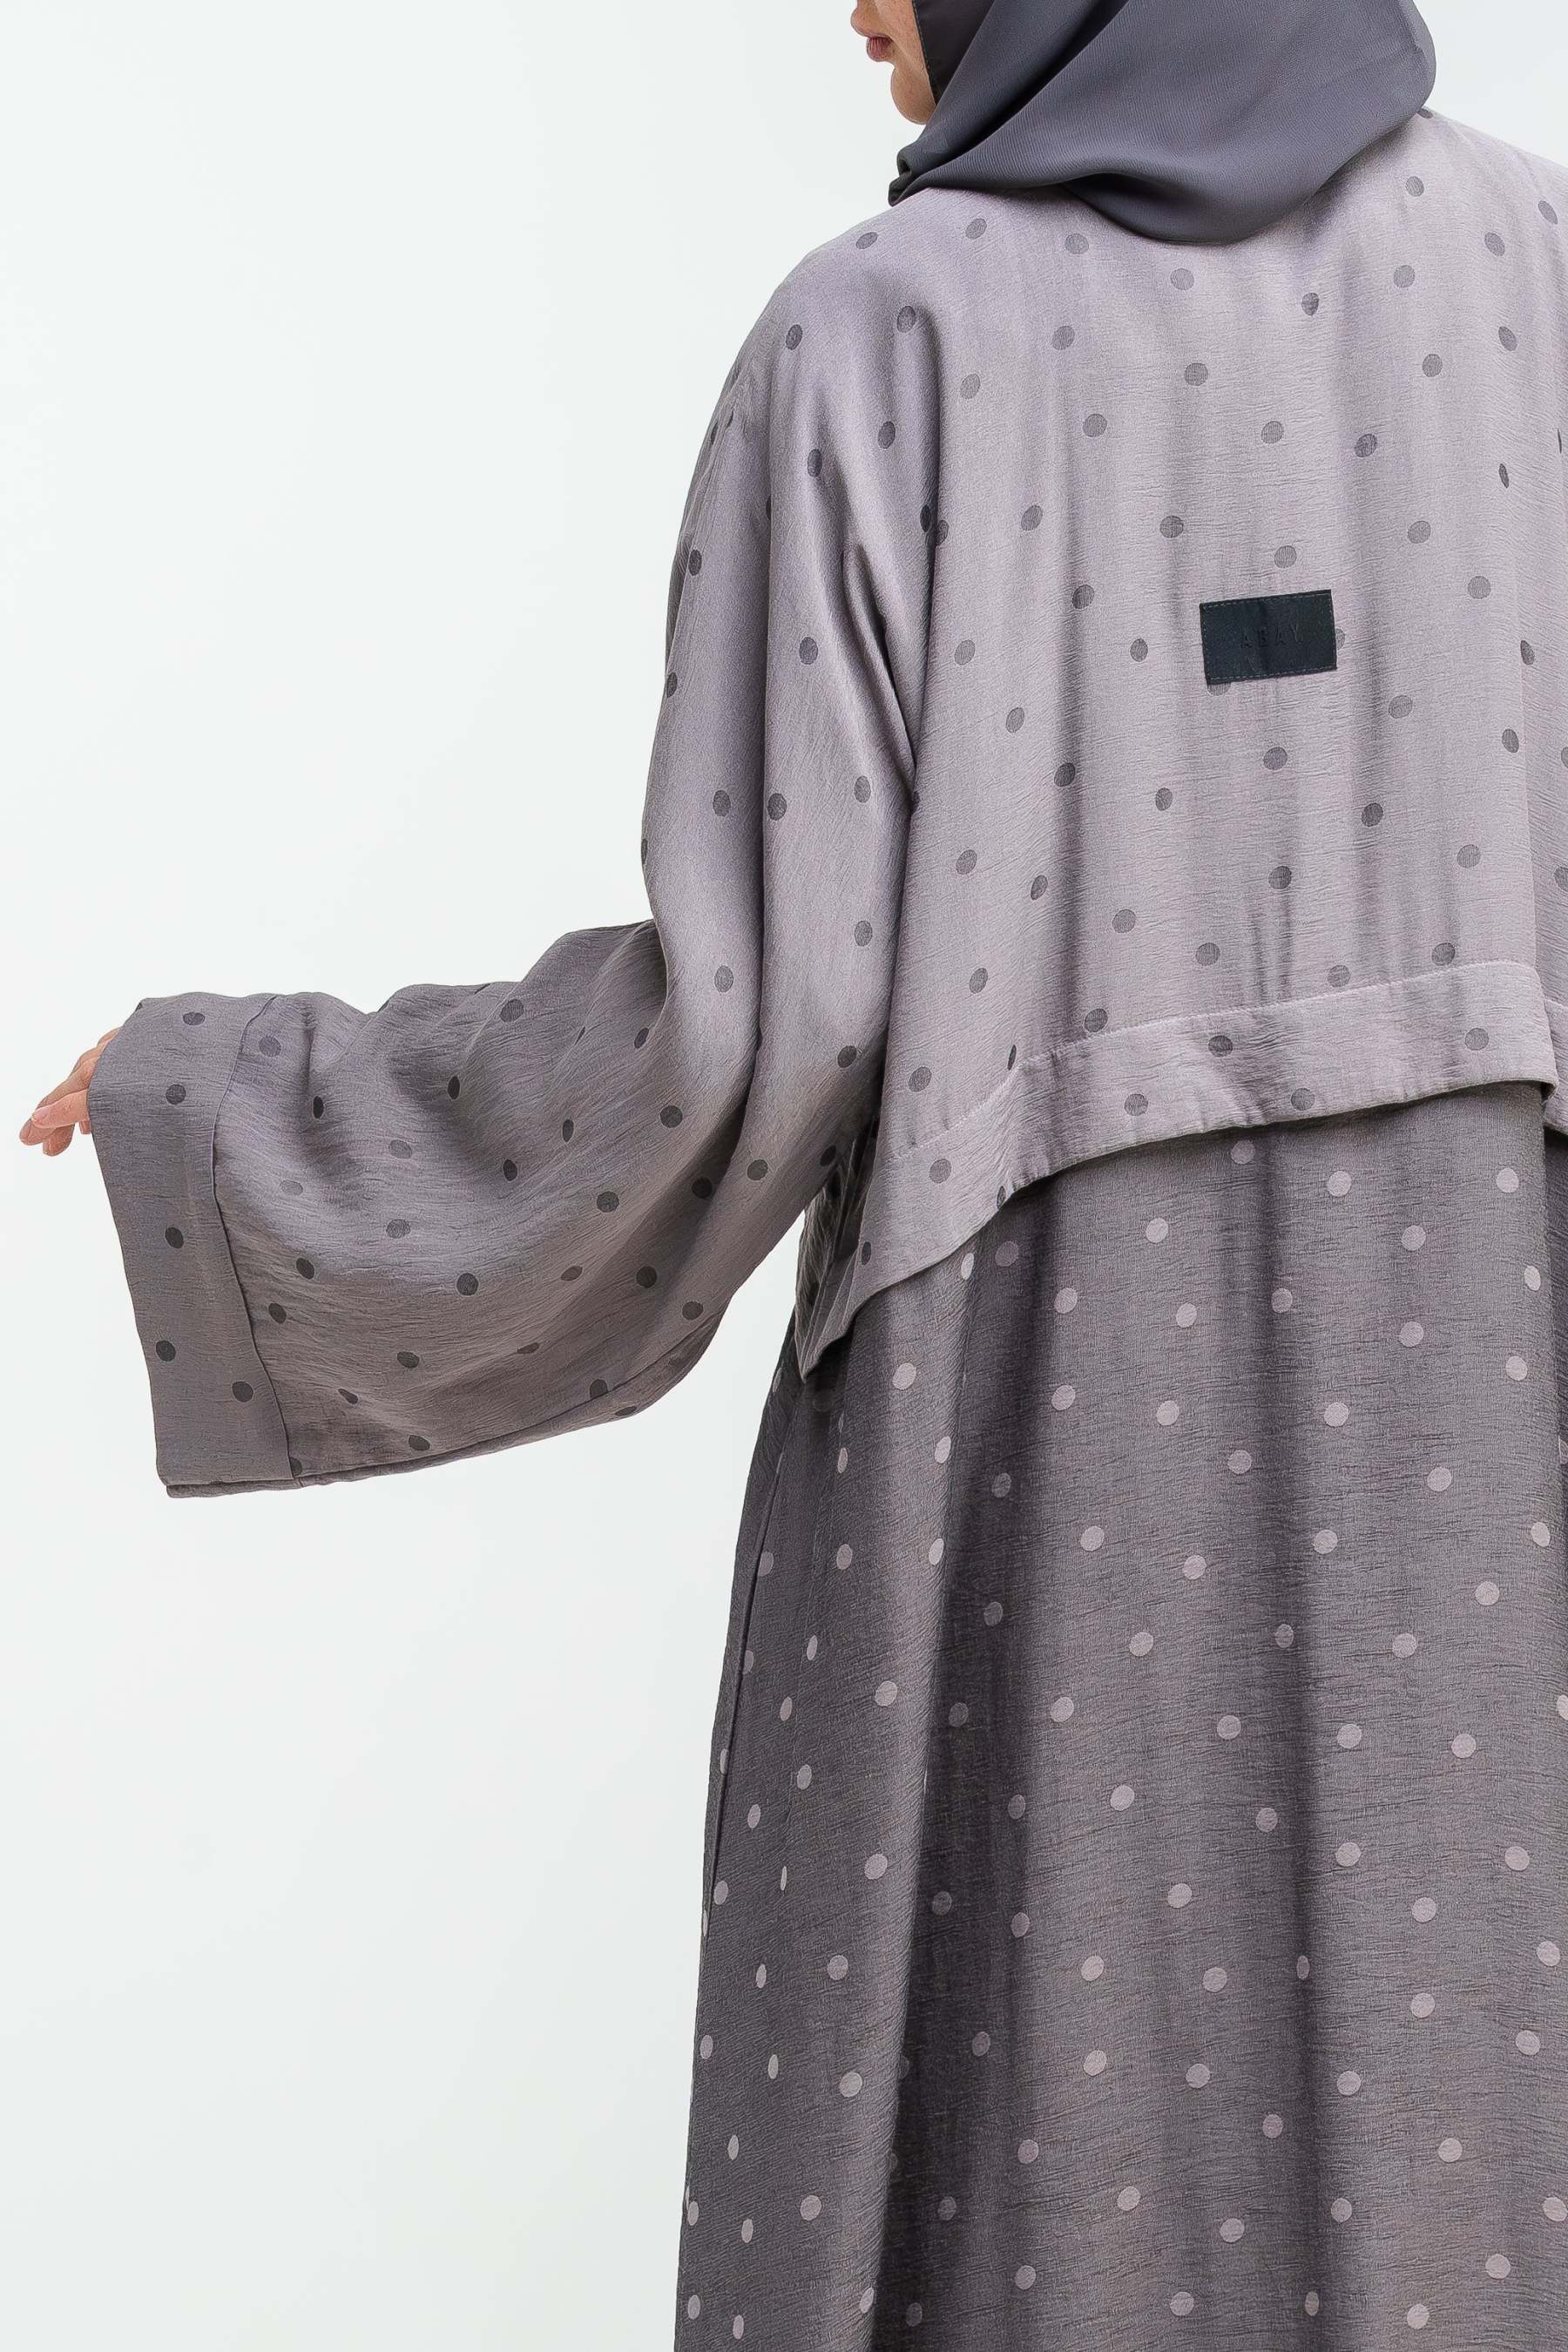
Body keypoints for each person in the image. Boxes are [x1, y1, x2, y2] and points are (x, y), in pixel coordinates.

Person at [21, 0, 1568, 2341]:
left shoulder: (885, 345)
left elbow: (736, 1043)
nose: (848, 0)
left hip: (1040, 1527)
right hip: (1499, 1518)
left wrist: (236, 1109)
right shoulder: (1536, 275)